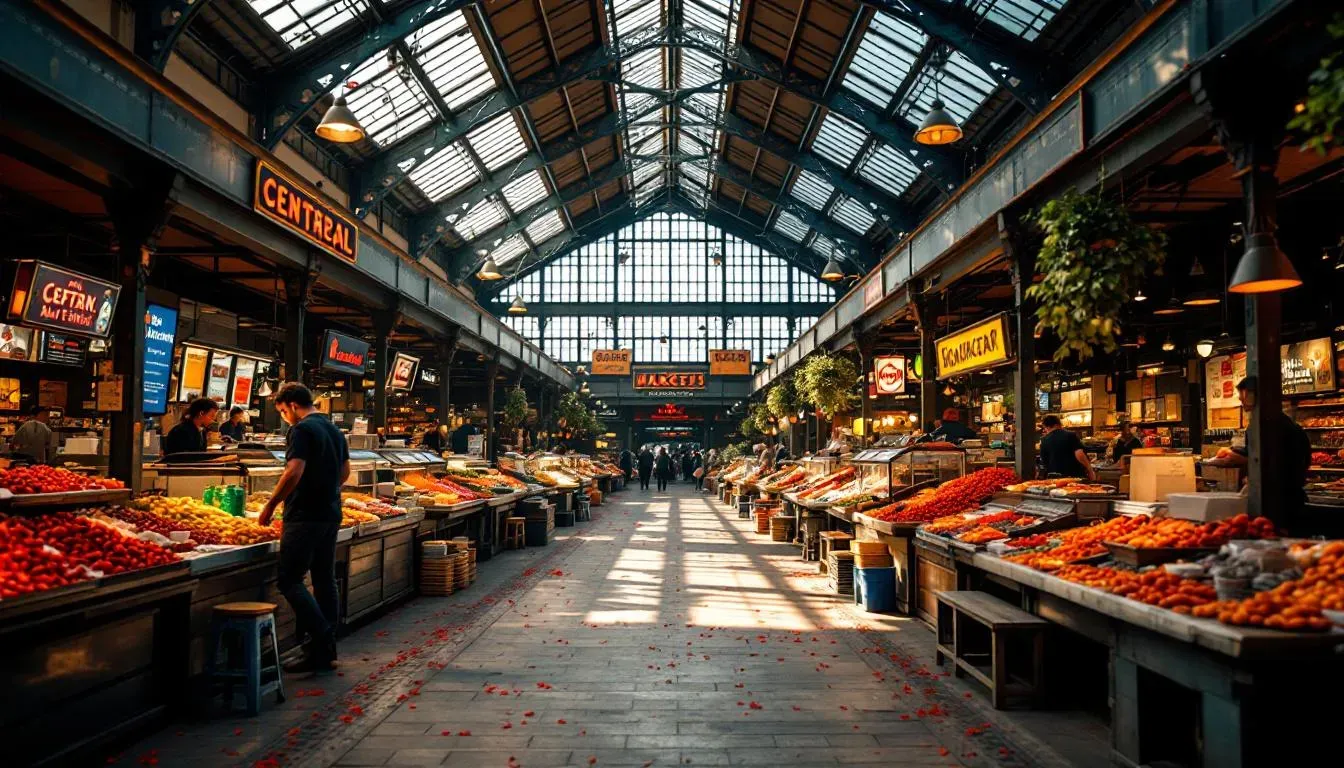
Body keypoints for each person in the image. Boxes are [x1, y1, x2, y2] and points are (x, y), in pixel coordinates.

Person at [258, 383, 349, 674]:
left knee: (289, 579)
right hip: (331, 513)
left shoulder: (301, 430)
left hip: (304, 515)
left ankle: (320, 637)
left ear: (293, 405)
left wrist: (271, 505)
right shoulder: (333, 429)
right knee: (324, 578)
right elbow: (345, 471)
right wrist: (327, 489)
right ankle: (325, 648)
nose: (285, 417)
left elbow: (294, 470)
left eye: (283, 411)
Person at [1222, 376, 1311, 532]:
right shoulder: (1283, 423)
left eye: (1244, 397)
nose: (1242, 402)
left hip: (1278, 502)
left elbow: (1268, 461)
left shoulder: (1268, 426)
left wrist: (1240, 459)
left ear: (1253, 395)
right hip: (1290, 498)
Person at [1038, 414, 1097, 480]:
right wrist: (1090, 470)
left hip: (1055, 479)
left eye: (1045, 428)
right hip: (1074, 476)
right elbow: (1079, 454)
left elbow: (1044, 461)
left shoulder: (1044, 440)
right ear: (1058, 424)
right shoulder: (1070, 435)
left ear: (1047, 427)